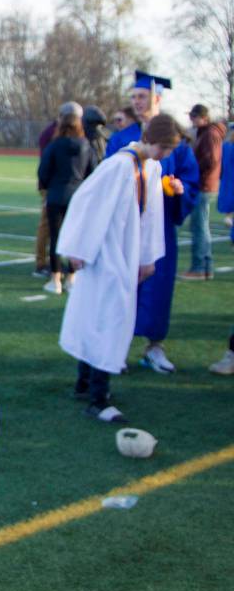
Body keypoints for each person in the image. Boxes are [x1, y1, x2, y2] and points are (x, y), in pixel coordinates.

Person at [57, 114, 180, 423]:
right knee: (107, 319)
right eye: (164, 147)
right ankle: (97, 398)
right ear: (152, 140)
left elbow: (150, 215)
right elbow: (87, 204)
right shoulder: (118, 166)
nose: (166, 154)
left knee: (99, 317)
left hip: (124, 253)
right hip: (104, 253)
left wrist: (148, 258)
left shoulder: (150, 168)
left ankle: (85, 384)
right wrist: (78, 249)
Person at [105, 71, 200, 374]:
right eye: (133, 97)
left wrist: (181, 188)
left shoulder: (177, 141)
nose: (137, 102)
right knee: (121, 288)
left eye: (142, 96)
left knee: (157, 289)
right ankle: (114, 350)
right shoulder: (122, 139)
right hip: (125, 229)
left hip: (159, 231)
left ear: (157, 98)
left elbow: (190, 178)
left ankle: (153, 348)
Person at [37, 112, 92, 294]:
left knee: (55, 237)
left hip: (56, 196)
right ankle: (72, 278)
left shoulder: (54, 146)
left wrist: (47, 187)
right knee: (75, 237)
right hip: (78, 197)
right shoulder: (86, 146)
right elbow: (92, 172)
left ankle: (55, 279)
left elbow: (43, 171)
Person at [34, 101, 83, 278]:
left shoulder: (55, 139)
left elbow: (44, 169)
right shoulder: (78, 142)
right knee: (52, 228)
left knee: (54, 231)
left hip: (55, 190)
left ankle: (55, 270)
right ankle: (46, 264)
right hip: (71, 191)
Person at [182, 103, 225, 279]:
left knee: (200, 227)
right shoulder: (207, 133)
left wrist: (193, 171)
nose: (191, 119)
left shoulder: (210, 134)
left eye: (194, 116)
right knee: (200, 226)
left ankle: (200, 268)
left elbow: (211, 160)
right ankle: (205, 268)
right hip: (204, 184)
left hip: (204, 185)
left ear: (204, 118)